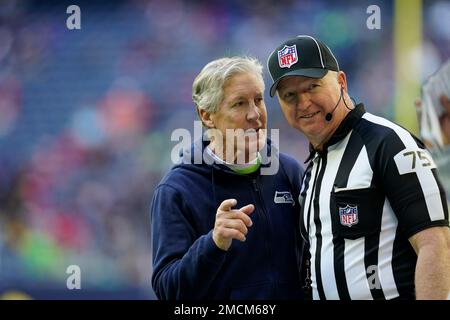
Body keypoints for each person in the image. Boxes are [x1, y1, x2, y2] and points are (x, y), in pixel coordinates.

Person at [267, 35, 450, 300]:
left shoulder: (389, 143)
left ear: (341, 81)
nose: (303, 103)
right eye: (290, 95)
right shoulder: (313, 169)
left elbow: (436, 244)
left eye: (313, 87)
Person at [150, 56, 305, 300]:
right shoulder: (176, 190)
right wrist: (213, 243)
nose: (255, 114)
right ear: (207, 115)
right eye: (239, 104)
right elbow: (169, 291)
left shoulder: (289, 172)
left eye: (258, 100)